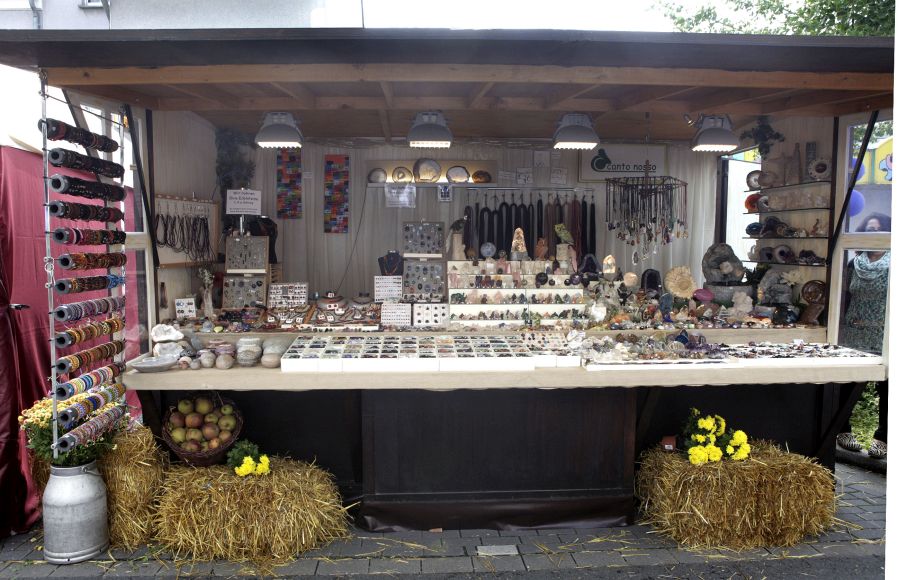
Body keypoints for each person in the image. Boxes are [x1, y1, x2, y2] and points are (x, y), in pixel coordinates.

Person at [837, 212, 890, 459]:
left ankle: (884, 437)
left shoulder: (894, 262)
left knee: (886, 386)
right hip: (854, 332)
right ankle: (842, 431)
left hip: (884, 333)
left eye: (879, 229)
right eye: (869, 229)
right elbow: (844, 297)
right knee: (849, 383)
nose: (874, 234)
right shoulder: (853, 264)